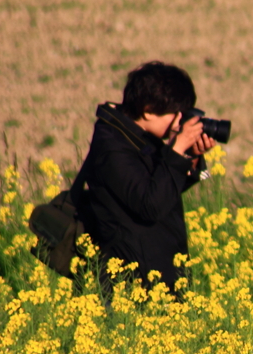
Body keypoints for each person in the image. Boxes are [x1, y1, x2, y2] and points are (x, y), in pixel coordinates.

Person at [75, 61, 217, 297]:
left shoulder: (138, 136)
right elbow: (150, 205)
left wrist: (190, 158)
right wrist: (176, 149)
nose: (180, 121)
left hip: (161, 274)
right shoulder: (112, 147)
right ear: (149, 110)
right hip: (134, 284)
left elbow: (163, 190)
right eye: (176, 113)